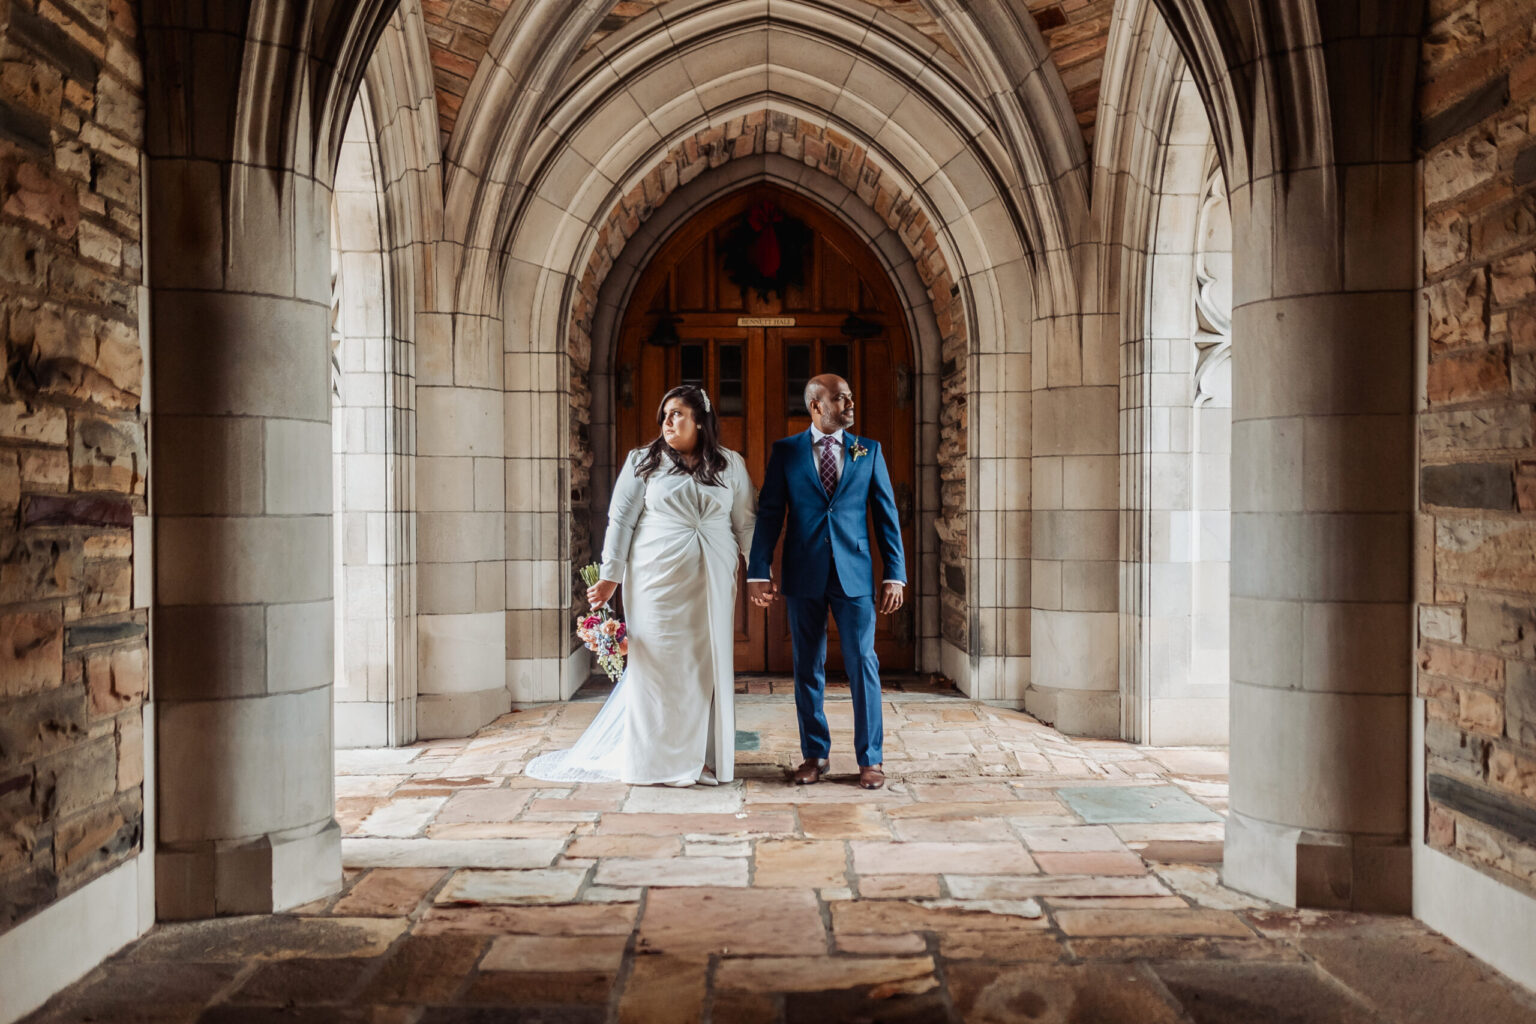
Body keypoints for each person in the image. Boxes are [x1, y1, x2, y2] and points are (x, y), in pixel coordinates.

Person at [526, 385, 755, 786]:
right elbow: (622, 520)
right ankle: (657, 762)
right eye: (664, 414)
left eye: (677, 414)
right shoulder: (642, 462)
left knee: (702, 668)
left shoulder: (730, 465)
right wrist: (611, 574)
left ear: (700, 420)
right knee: (659, 667)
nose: (667, 422)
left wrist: (759, 572)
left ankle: (699, 757)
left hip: (712, 581)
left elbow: (746, 522)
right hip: (655, 581)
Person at [747, 374, 906, 790]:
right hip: (804, 573)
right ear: (817, 405)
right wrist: (758, 571)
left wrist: (895, 573)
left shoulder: (868, 451)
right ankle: (814, 755)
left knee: (863, 663)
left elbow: (887, 517)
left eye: (851, 396)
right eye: (841, 398)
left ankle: (871, 759)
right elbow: (770, 514)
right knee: (807, 668)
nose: (851, 403)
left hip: (854, 574)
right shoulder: (786, 453)